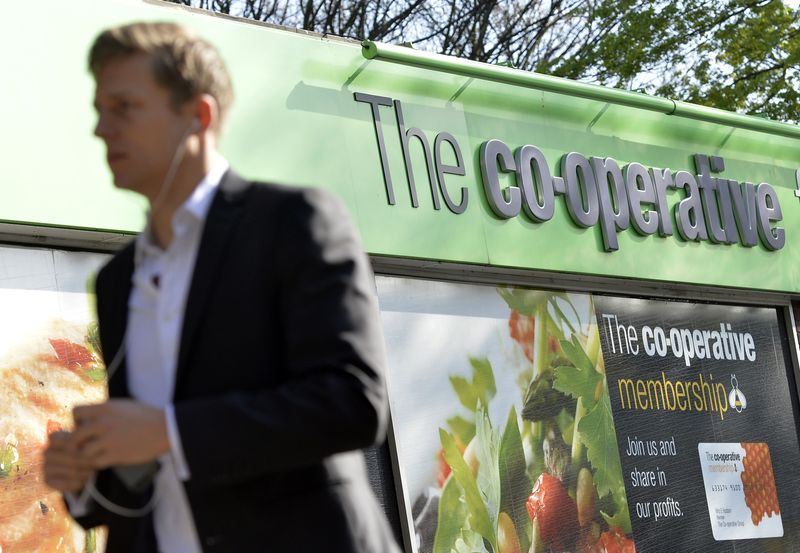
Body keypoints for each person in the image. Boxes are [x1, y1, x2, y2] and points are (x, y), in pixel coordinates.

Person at [43, 21, 400, 553]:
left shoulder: (294, 222)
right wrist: (88, 476)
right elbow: (147, 473)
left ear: (198, 115)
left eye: (123, 107)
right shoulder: (119, 279)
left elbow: (354, 402)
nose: (101, 129)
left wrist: (168, 430)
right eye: (99, 111)